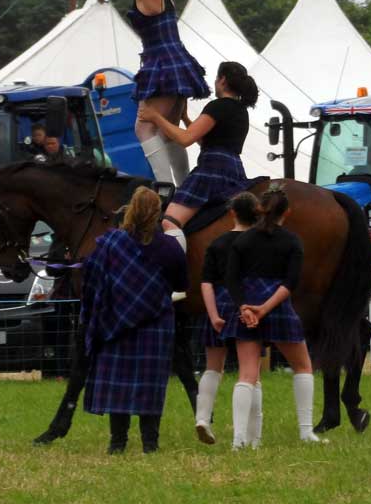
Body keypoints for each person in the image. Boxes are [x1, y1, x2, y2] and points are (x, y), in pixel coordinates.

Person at [109, 0, 210, 188]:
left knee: (143, 127)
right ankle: (184, 185)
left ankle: (167, 190)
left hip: (162, 63)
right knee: (168, 132)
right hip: (174, 59)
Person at [80, 185, 187, 454]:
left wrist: (94, 317)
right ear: (157, 212)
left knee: (119, 384)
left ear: (129, 210)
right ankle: (150, 443)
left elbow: (92, 279)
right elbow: (181, 282)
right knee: (150, 384)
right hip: (156, 322)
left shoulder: (111, 243)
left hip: (115, 322)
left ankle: (118, 443)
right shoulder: (170, 247)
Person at [224, 185, 320, 446]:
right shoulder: (292, 241)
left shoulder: (241, 240)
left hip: (247, 307)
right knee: (303, 365)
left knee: (247, 374)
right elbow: (290, 283)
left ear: (259, 209)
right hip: (277, 306)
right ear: (287, 212)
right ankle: (306, 431)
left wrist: (245, 307)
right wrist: (266, 308)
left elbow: (231, 279)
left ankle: (239, 440)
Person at [138, 61, 258, 244]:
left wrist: (155, 116)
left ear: (223, 80)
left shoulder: (218, 106)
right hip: (233, 169)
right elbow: (205, 140)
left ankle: (175, 266)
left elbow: (186, 140)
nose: (216, 81)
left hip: (212, 169)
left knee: (170, 222)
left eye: (217, 78)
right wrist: (185, 118)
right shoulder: (241, 110)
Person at [195, 192, 260, 446]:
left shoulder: (218, 243)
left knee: (213, 367)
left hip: (219, 304)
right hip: (248, 304)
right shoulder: (259, 243)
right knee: (251, 372)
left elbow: (206, 282)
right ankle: (252, 437)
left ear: (232, 213)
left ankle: (202, 418)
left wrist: (212, 315)